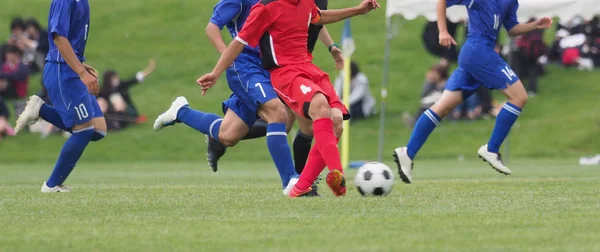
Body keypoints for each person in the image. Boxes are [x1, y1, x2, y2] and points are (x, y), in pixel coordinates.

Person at [195, 0, 380, 197]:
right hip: (286, 74)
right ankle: (336, 175)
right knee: (315, 108)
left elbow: (319, 17)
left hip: (309, 68)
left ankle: (300, 187)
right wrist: (216, 73)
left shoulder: (306, 2)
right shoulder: (265, 7)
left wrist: (358, 11)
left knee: (336, 122)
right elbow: (239, 42)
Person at [393, 0, 553, 184]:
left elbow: (511, 29)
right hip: (479, 52)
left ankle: (408, 152)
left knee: (443, 107)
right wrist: (443, 31)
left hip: (475, 55)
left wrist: (534, 25)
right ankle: (491, 149)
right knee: (519, 97)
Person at [153, 0, 302, 196]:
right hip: (246, 69)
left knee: (228, 135)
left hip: (270, 68)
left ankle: (181, 112)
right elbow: (212, 27)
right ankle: (291, 181)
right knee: (278, 113)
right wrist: (227, 56)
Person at [206, 0, 344, 181]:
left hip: (298, 61)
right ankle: (301, 181)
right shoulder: (265, 4)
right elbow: (218, 29)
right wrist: (223, 60)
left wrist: (331, 46)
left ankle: (301, 180)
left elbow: (314, 17)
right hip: (276, 65)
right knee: (301, 122)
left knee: (283, 124)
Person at [15, 0, 106, 193]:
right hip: (61, 73)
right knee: (84, 130)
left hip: (71, 69)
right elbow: (59, 38)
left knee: (98, 130)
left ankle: (40, 110)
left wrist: (81, 66)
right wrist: (81, 72)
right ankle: (51, 185)